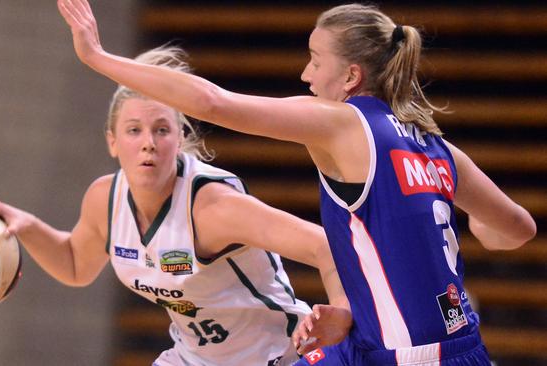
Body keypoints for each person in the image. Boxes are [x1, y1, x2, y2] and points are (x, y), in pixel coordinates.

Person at [56, 1, 537, 365]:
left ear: (350, 76)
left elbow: (214, 104)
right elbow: (516, 230)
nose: (306, 74)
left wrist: (98, 57)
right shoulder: (440, 149)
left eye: (315, 60)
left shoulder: (344, 124)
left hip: (408, 354)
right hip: (412, 344)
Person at [0, 46, 351, 366]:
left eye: (162, 129)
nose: (148, 142)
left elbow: (327, 245)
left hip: (277, 356)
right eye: (134, 130)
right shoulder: (104, 199)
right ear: (112, 142)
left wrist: (343, 310)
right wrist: (24, 225)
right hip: (192, 358)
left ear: (179, 138)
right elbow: (76, 263)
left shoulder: (212, 207)